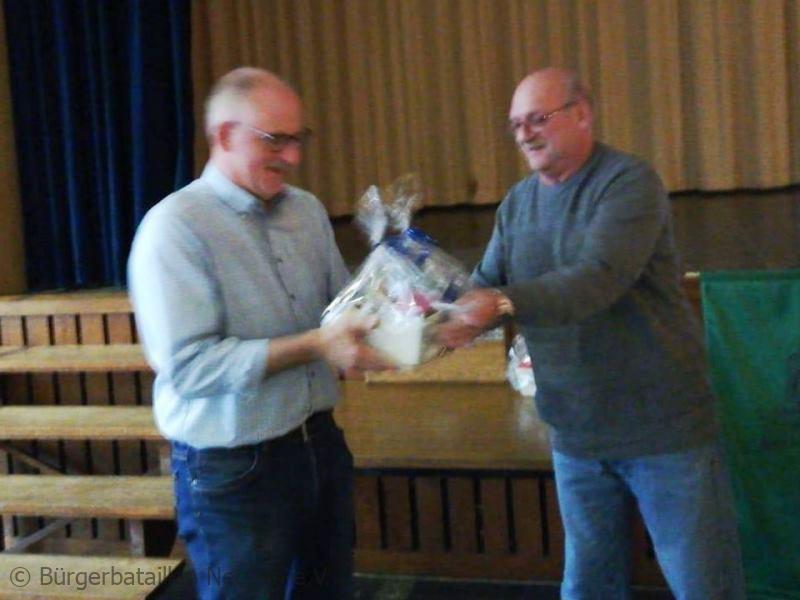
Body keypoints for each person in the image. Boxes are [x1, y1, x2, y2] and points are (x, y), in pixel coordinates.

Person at [438, 67, 746, 599]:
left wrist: (501, 302)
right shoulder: (517, 203)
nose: (525, 134)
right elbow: (483, 285)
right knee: (587, 587)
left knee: (703, 586)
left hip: (664, 432)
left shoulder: (629, 184)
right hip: (576, 436)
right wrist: (422, 311)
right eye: (515, 125)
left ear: (582, 114)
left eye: (538, 119)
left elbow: (595, 280)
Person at [128, 67, 392, 600]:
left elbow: (340, 307)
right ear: (225, 136)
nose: (292, 156)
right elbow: (190, 368)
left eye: (299, 139)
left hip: (318, 444)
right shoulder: (174, 228)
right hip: (232, 469)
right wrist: (318, 345)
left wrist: (406, 308)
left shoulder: (307, 211)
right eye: (275, 140)